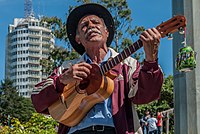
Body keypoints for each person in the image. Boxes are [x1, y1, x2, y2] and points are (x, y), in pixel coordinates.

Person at [31, 3, 163, 134]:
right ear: (78, 39)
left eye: (96, 22)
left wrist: (151, 60)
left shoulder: (127, 65)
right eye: (84, 26)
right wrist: (62, 80)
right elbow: (37, 100)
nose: (91, 26)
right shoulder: (67, 68)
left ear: (106, 32)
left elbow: (146, 96)